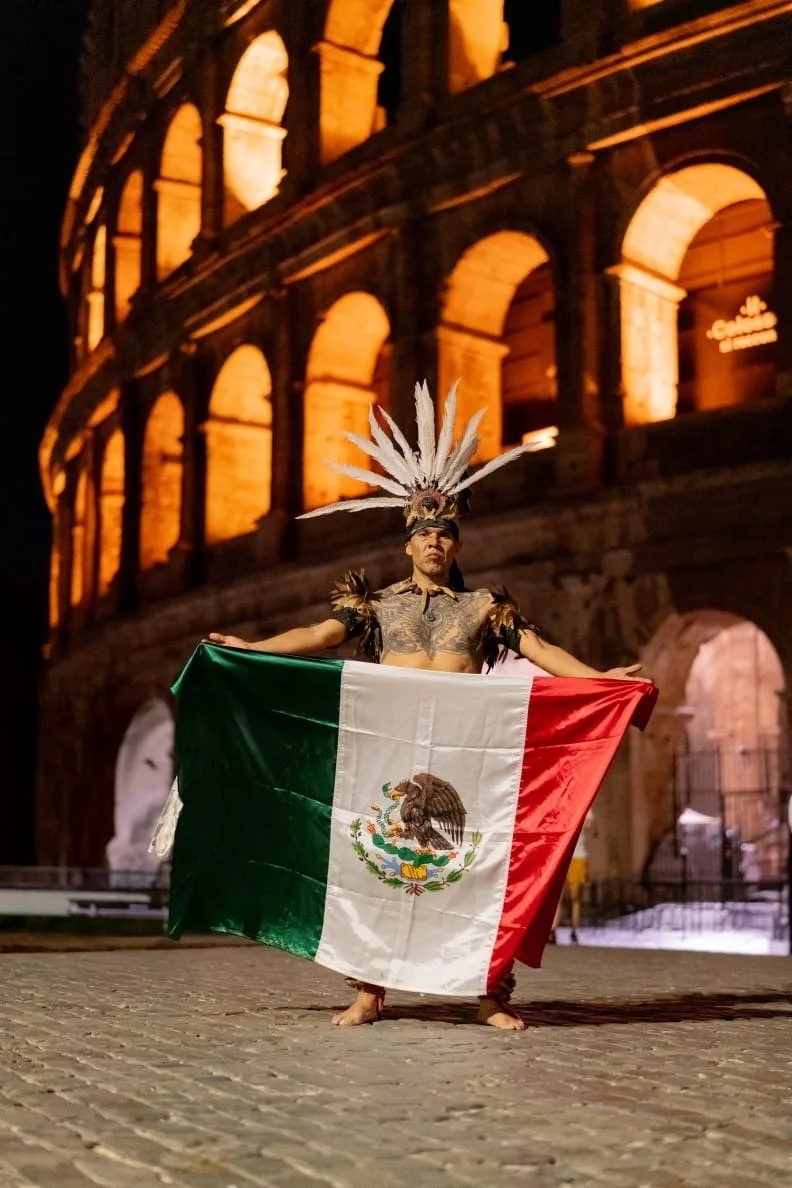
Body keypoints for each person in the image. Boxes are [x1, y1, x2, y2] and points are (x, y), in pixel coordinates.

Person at [207, 381, 650, 1030]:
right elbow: (318, 635)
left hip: (470, 751)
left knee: (480, 870)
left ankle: (490, 993)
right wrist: (253, 647)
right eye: (424, 534)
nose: (435, 543)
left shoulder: (482, 607)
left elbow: (541, 648)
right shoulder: (376, 605)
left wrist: (599, 679)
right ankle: (370, 991)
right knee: (375, 868)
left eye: (445, 533)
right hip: (387, 751)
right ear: (408, 544)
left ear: (456, 544)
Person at [552, 811, 597, 944]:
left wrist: (591, 826)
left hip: (578, 857)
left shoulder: (586, 810)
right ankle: (553, 930)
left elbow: (595, 833)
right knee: (558, 896)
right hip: (562, 855)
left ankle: (574, 929)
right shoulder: (562, 806)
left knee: (575, 896)